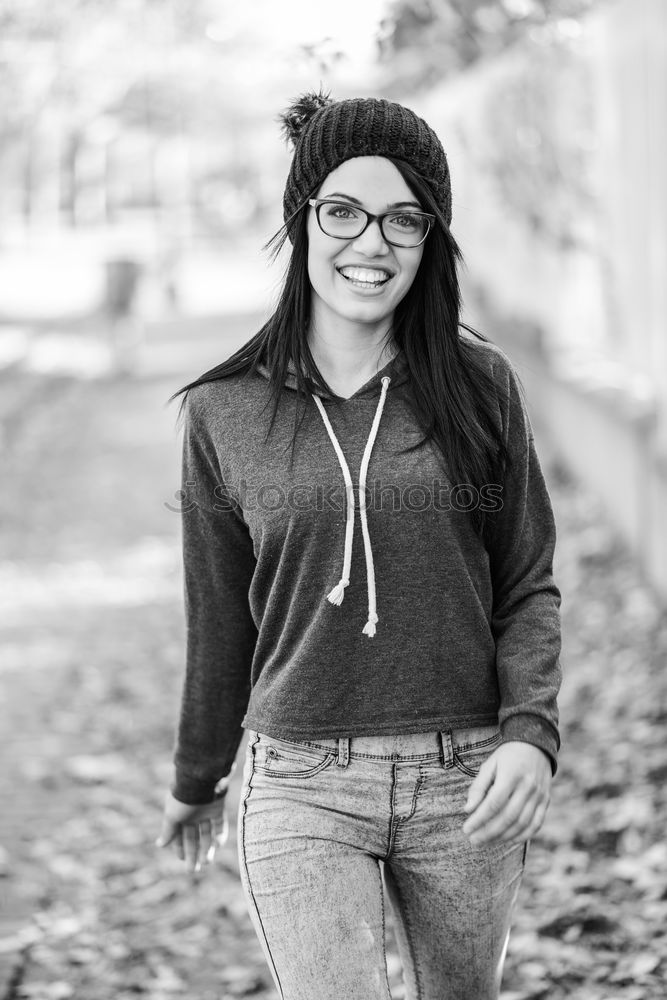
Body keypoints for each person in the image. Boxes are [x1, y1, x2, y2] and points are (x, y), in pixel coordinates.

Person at [156, 90, 562, 1000]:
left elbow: (526, 580)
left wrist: (530, 733)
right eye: (341, 211)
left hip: (465, 778)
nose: (370, 244)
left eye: (403, 220)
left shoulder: (479, 387)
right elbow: (217, 615)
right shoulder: (222, 413)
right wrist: (196, 775)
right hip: (300, 779)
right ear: (301, 221)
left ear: (430, 241)